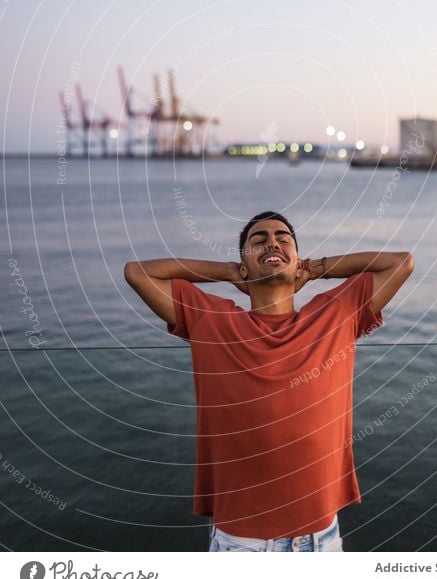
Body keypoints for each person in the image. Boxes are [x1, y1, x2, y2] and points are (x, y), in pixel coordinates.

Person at [124, 211, 414, 552]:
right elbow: (138, 272)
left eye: (283, 239)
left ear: (297, 260)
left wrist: (315, 268)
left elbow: (400, 263)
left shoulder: (335, 312)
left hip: (319, 539)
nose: (272, 242)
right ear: (244, 265)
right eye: (258, 241)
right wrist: (230, 271)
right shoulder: (213, 320)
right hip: (241, 543)